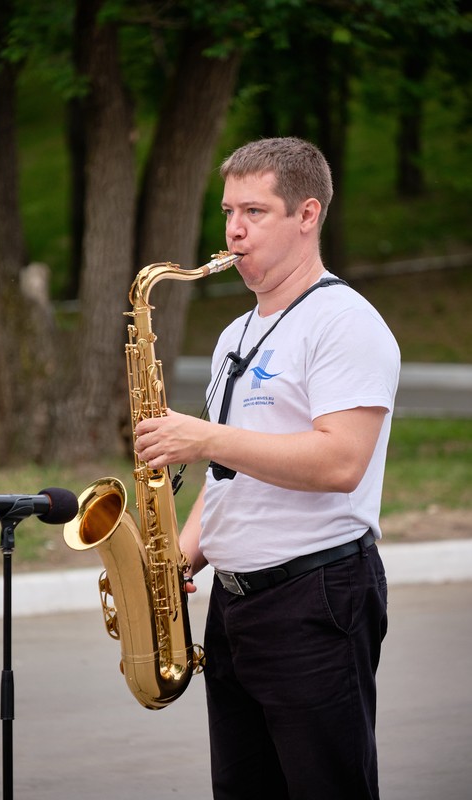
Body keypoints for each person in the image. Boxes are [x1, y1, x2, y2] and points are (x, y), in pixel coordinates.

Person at [135, 137, 400, 800]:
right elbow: (231, 471)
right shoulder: (237, 333)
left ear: (306, 214)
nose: (232, 229)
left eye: (254, 211)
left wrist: (203, 438)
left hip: (315, 596)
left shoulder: (344, 323)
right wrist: (176, 558)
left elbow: (340, 460)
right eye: (228, 210)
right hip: (235, 603)